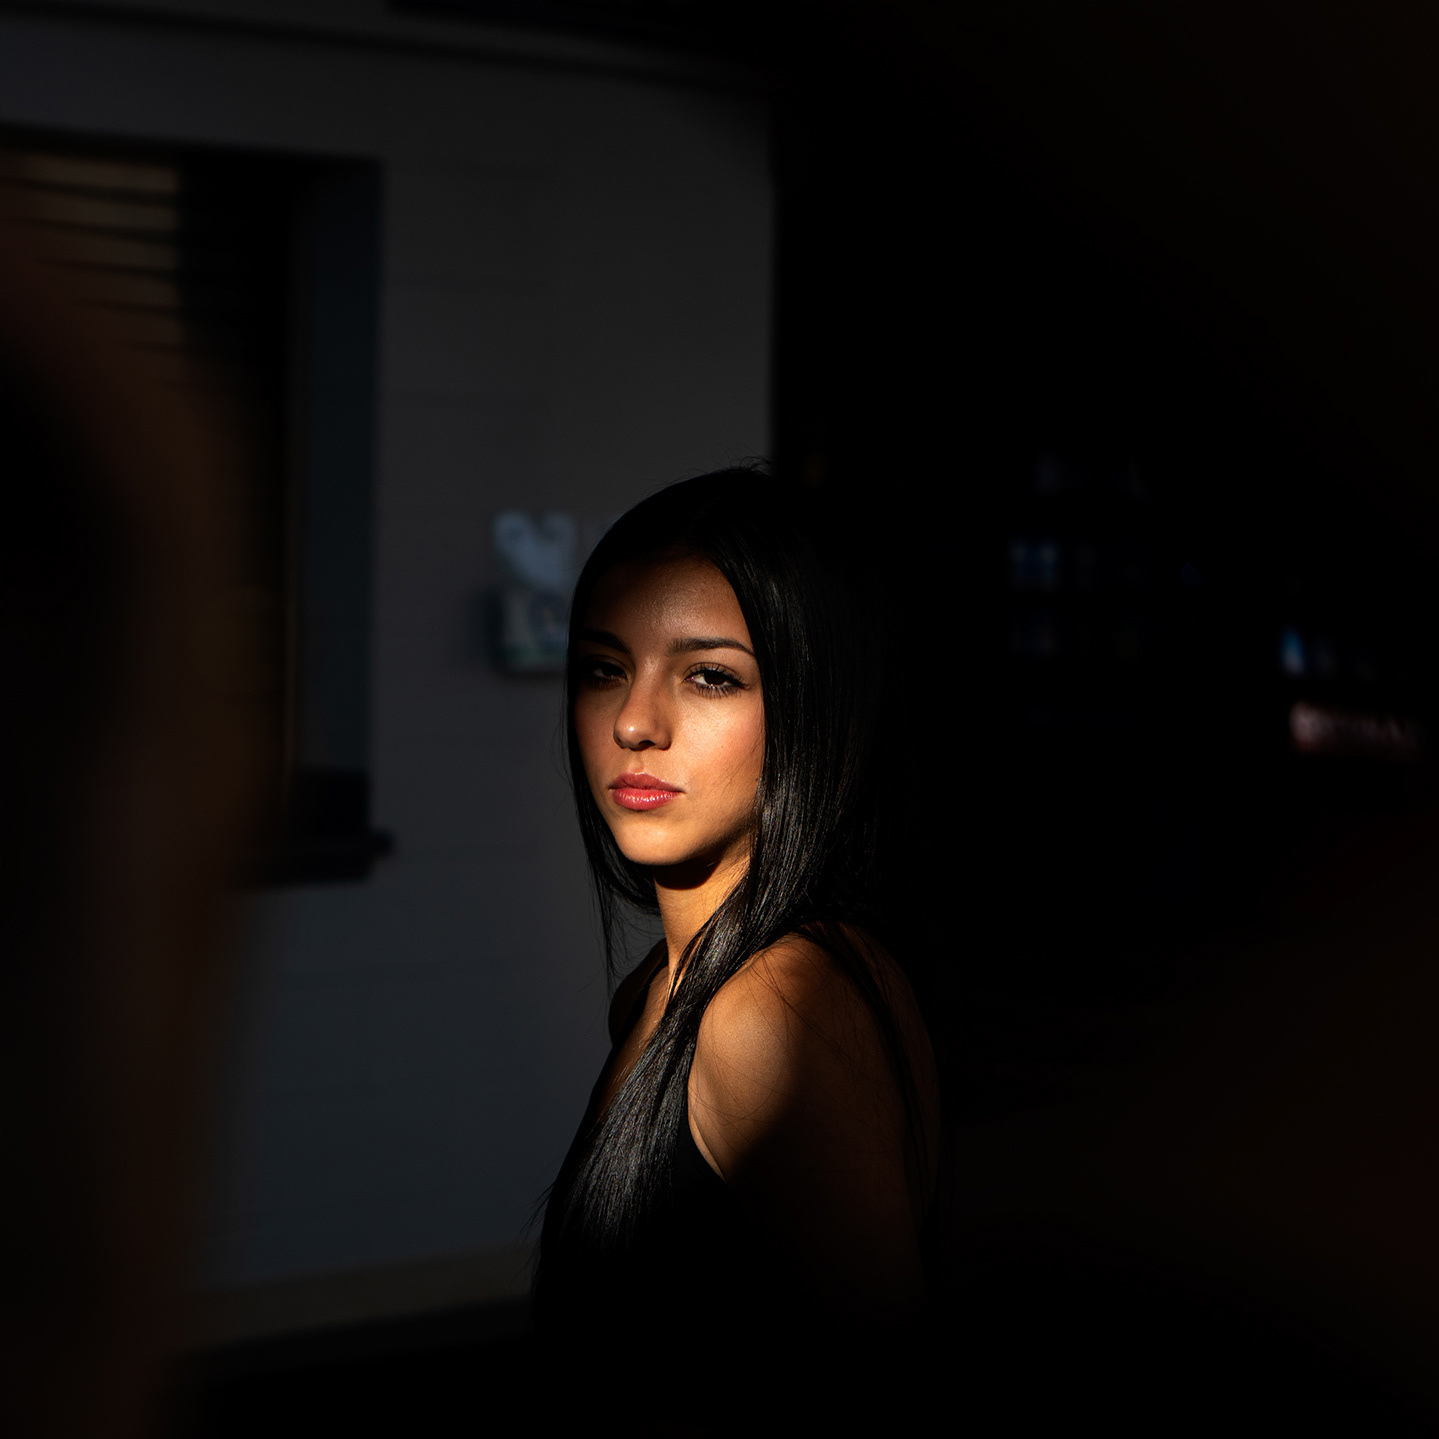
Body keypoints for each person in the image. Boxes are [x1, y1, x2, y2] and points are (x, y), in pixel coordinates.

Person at [532, 469, 942, 1428]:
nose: (634, 722)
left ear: (811, 705)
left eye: (709, 675)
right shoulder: (665, 985)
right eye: (604, 668)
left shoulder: (772, 1005)